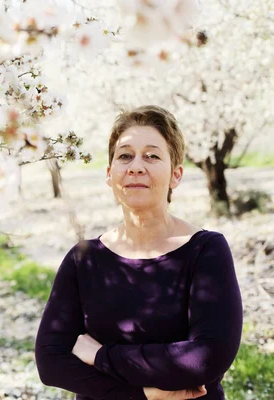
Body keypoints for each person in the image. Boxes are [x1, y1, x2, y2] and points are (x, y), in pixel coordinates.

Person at [34, 105, 243, 400]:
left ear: (176, 175)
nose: (135, 166)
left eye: (152, 156)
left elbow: (205, 358)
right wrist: (143, 393)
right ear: (110, 174)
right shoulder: (84, 258)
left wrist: (101, 356)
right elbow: (51, 363)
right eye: (125, 156)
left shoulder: (206, 250)